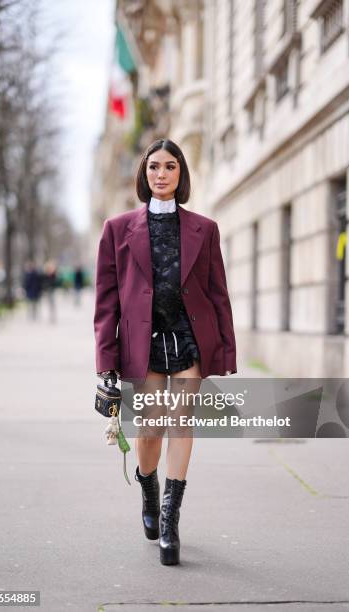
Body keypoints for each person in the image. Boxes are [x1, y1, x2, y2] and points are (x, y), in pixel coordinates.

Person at [94, 138, 237, 566]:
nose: (161, 174)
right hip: (144, 342)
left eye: (170, 166)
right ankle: (148, 486)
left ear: (181, 174)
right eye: (154, 166)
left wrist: (226, 348)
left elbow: (218, 293)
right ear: (144, 174)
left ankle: (171, 520)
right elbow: (106, 302)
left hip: (189, 338)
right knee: (150, 430)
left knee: (181, 424)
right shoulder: (118, 229)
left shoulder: (204, 229)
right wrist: (106, 362)